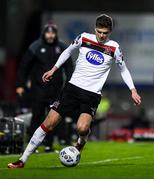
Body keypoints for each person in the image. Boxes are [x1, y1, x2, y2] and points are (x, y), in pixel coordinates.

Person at [8, 14, 141, 168]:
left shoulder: (114, 48)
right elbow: (67, 52)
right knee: (48, 123)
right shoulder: (84, 38)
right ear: (95, 29)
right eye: (99, 31)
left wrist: (133, 90)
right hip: (72, 89)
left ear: (110, 31)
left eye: (105, 33)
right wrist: (54, 69)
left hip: (92, 94)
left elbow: (123, 70)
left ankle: (81, 142)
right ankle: (22, 159)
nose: (102, 35)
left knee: (82, 128)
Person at [15, 21, 73, 152]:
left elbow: (69, 66)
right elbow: (24, 66)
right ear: (44, 33)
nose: (50, 35)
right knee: (37, 116)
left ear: (56, 34)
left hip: (56, 89)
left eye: (53, 33)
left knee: (51, 118)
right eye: (48, 32)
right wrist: (20, 84)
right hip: (38, 89)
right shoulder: (36, 46)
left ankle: (49, 145)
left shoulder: (62, 47)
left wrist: (70, 84)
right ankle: (32, 144)